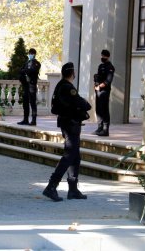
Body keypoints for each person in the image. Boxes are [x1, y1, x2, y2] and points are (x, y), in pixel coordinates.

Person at [42, 62, 91, 202]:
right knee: (69, 155)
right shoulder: (68, 87)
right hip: (71, 124)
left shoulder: (59, 85)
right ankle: (52, 186)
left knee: (75, 156)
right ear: (72, 73)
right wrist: (85, 105)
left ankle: (73, 189)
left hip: (66, 123)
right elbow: (83, 104)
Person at [93, 49, 115, 136]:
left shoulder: (110, 67)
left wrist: (100, 86)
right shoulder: (100, 66)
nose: (102, 57)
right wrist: (95, 84)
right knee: (98, 109)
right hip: (98, 90)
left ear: (108, 57)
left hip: (105, 91)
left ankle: (105, 129)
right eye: (102, 55)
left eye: (104, 56)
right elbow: (98, 77)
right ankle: (99, 127)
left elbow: (108, 81)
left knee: (104, 109)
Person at [18, 48, 41, 126]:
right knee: (25, 103)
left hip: (32, 85)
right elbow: (21, 70)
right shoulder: (27, 62)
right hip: (25, 85)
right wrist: (26, 70)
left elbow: (32, 71)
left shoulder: (37, 63)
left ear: (34, 54)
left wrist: (25, 70)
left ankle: (33, 120)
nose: (30, 55)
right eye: (29, 53)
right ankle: (25, 119)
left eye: (31, 53)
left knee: (32, 103)